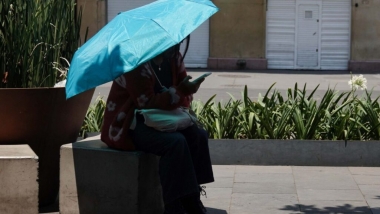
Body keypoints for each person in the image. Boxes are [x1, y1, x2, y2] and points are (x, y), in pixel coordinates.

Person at [101, 38, 214, 214]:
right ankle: (173, 205)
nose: (176, 45)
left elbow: (183, 96)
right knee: (175, 143)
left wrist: (188, 89)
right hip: (131, 123)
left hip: (164, 117)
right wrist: (181, 92)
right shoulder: (135, 62)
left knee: (198, 135)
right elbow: (147, 102)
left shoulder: (174, 57)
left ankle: (191, 197)